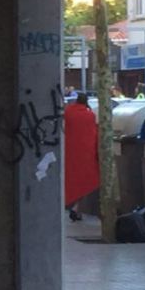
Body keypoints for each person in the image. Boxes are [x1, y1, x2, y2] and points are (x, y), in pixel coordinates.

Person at [63, 93, 100, 222]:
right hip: (86, 153)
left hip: (69, 152)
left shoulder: (67, 113)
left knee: (71, 180)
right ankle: (76, 208)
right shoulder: (90, 115)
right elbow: (94, 134)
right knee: (86, 181)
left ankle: (73, 207)